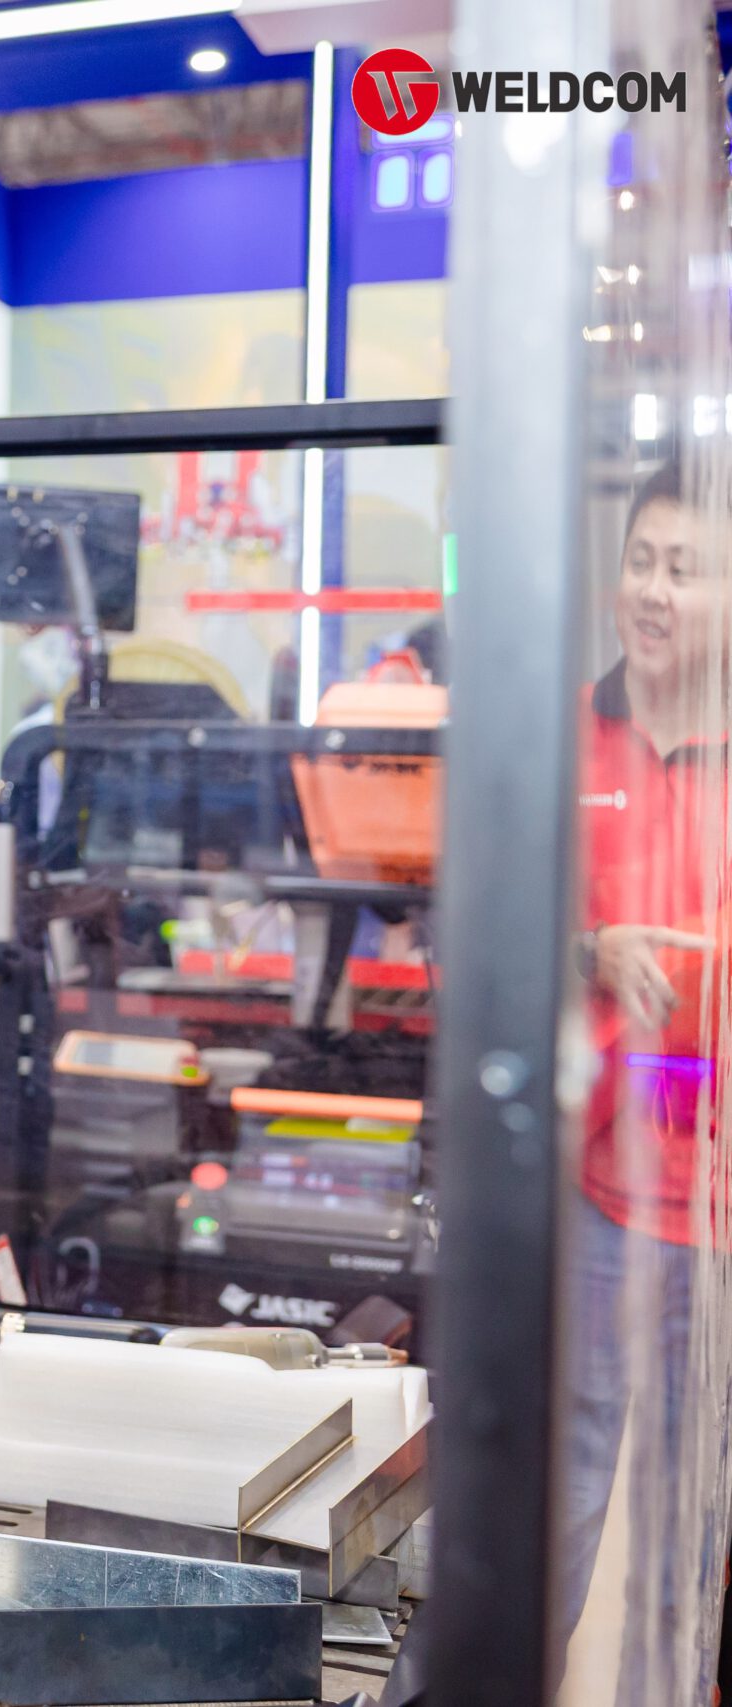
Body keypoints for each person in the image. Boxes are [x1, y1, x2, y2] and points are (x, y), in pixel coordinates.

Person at [556, 458, 728, 1700]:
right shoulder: (563, 732)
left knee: (689, 1530)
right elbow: (488, 920)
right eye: (641, 562)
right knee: (554, 1498)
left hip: (720, 1211)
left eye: (687, 569)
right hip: (598, 1197)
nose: (656, 591)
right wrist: (590, 952)